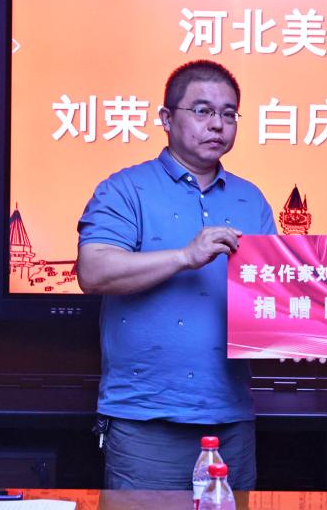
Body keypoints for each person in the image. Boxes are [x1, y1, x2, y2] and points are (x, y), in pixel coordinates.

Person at [77, 59, 276, 490]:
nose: (217, 124)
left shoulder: (251, 199)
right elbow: (92, 271)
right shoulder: (126, 189)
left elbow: (271, 298)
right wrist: (185, 256)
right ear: (166, 118)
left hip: (231, 417)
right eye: (203, 110)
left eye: (229, 114)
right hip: (145, 420)